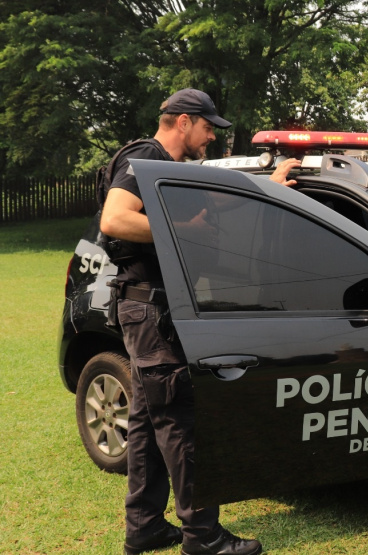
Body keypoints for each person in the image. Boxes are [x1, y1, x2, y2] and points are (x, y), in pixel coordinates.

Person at [102, 88, 297, 555]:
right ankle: (203, 537)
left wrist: (269, 185)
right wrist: (182, 232)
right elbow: (114, 219)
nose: (212, 136)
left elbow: (215, 199)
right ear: (184, 121)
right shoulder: (145, 158)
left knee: (147, 423)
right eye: (208, 127)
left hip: (148, 308)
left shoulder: (167, 170)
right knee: (180, 420)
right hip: (151, 310)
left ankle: (145, 526)